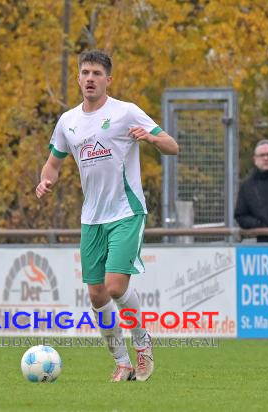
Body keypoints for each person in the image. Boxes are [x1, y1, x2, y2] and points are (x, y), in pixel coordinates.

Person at [35, 50, 178, 382]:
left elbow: (172, 146)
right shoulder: (68, 121)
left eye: (97, 73)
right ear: (78, 78)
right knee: (97, 294)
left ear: (107, 80)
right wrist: (45, 180)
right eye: (85, 72)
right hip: (92, 218)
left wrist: (152, 138)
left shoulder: (126, 112)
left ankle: (143, 344)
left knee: (115, 287)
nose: (89, 78)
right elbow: (53, 163)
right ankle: (122, 361)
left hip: (126, 212)